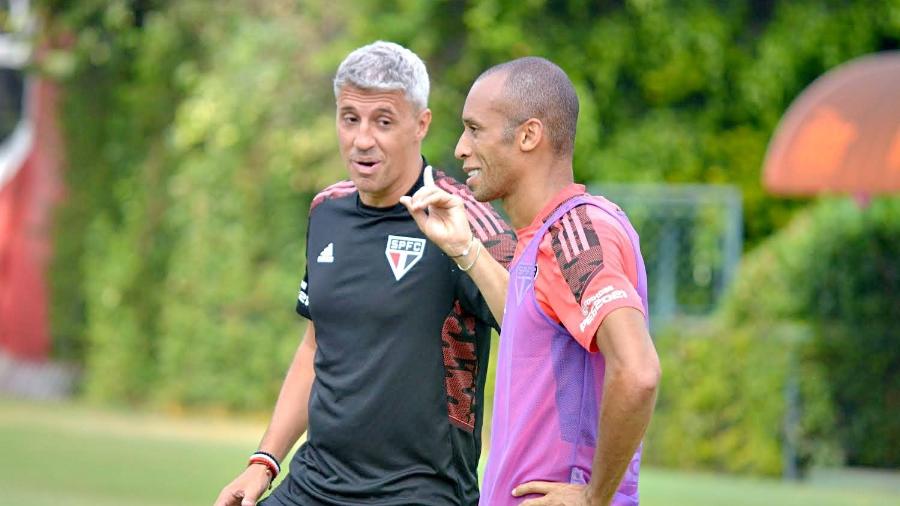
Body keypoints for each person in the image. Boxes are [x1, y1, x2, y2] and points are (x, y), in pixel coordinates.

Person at [214, 41, 516, 506]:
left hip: (421, 493)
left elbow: (534, 330)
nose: (361, 139)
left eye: (383, 122)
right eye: (349, 118)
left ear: (421, 124)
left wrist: (467, 252)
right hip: (313, 484)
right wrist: (264, 461)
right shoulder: (327, 210)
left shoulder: (465, 220)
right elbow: (316, 344)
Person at [401, 57, 661, 505]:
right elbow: (530, 326)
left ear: (528, 135)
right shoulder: (541, 237)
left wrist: (593, 498)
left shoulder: (576, 233)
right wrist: (467, 250)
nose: (460, 148)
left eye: (475, 129)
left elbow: (638, 372)